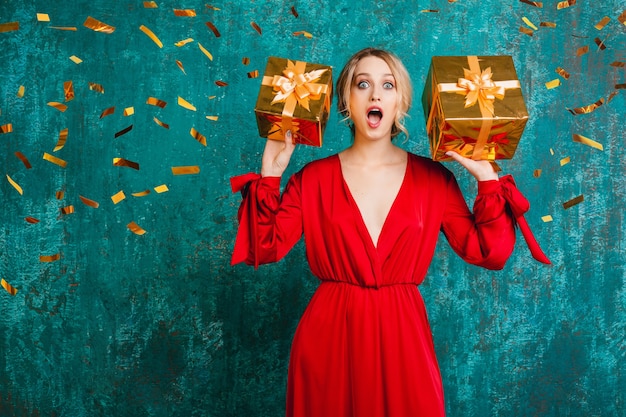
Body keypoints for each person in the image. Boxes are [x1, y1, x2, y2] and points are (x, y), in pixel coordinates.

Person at [230, 47, 539, 417]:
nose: (375, 94)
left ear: (400, 101)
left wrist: (487, 179)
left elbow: (490, 251)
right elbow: (263, 248)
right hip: (329, 339)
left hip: (403, 339)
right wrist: (271, 174)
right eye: (363, 84)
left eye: (387, 85)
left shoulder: (435, 180)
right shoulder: (311, 179)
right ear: (346, 99)